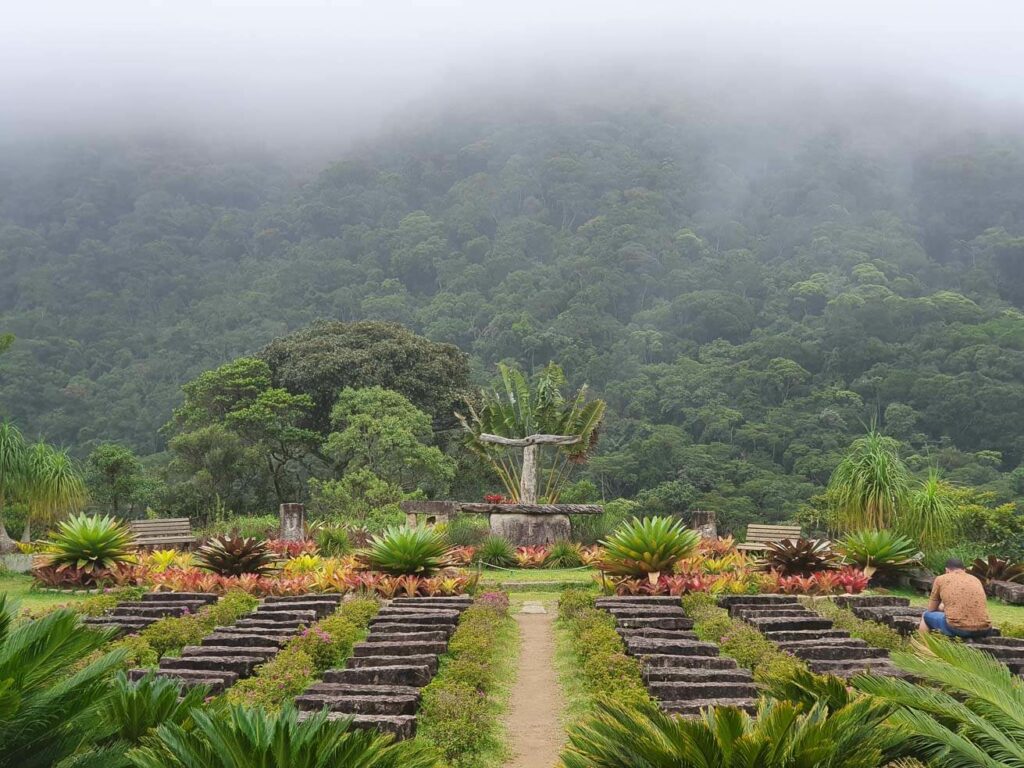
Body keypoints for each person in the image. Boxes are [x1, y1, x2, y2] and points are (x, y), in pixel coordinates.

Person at [919, 558, 992, 638]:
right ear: (964, 570)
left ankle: (921, 646)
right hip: (985, 629)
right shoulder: (975, 580)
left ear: (947, 570)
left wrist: (941, 607)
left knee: (926, 615)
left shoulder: (941, 579)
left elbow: (931, 609)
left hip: (957, 628)